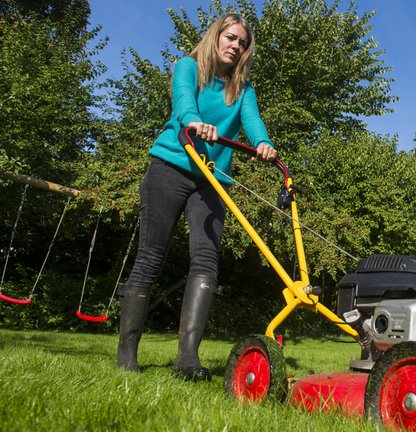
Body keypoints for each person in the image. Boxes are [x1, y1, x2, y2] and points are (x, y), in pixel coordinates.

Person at [116, 14, 277, 381]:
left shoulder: (243, 89)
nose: (235, 46)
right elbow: (183, 103)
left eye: (242, 43)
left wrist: (264, 143)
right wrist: (193, 121)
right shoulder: (188, 67)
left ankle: (187, 358)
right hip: (171, 166)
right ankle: (127, 354)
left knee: (206, 260)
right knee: (151, 256)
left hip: (211, 180)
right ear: (216, 36)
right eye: (231, 37)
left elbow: (252, 123)